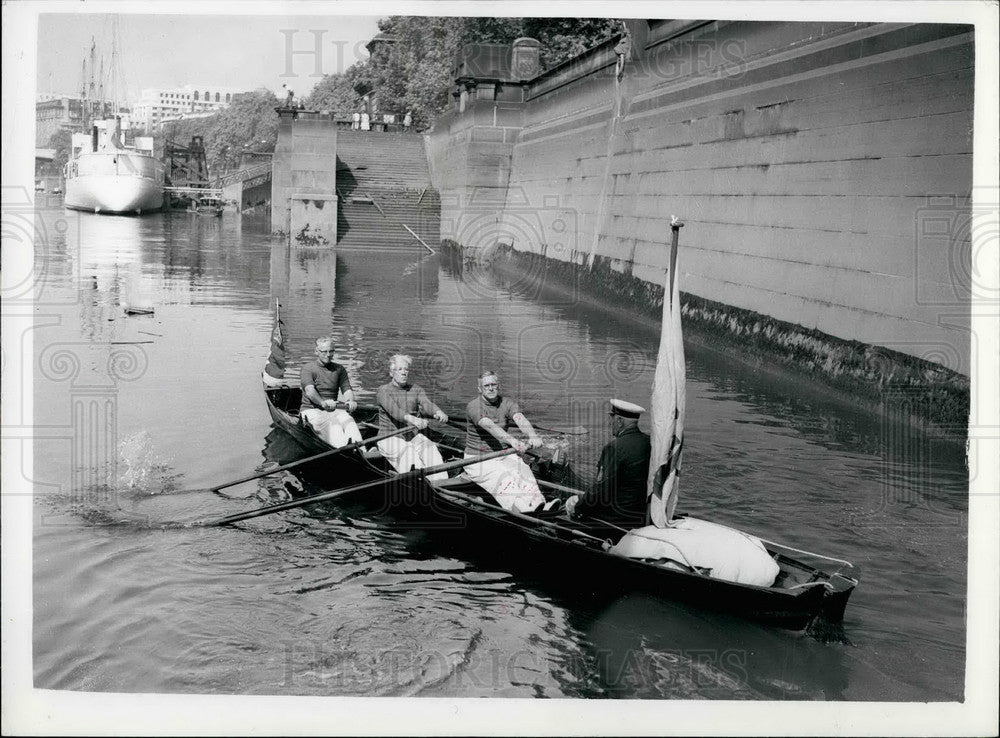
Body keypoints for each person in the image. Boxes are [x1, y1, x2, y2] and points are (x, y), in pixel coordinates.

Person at [463, 370, 545, 512]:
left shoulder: (507, 403)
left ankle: (541, 505)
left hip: (502, 454)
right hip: (478, 459)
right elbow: (490, 426)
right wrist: (513, 442)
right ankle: (522, 511)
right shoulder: (474, 406)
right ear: (479, 389)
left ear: (498, 386)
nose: (490, 388)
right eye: (486, 386)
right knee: (506, 481)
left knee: (524, 471)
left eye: (493, 384)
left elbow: (520, 419)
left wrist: (532, 435)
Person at [566, 399, 651, 528]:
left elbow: (602, 491)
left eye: (611, 419)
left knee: (568, 506)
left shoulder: (614, 447)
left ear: (620, 421)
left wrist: (577, 504)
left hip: (616, 518)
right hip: (640, 513)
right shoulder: (649, 442)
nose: (609, 423)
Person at [376, 354, 449, 481]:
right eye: (400, 369)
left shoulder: (416, 389)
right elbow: (396, 412)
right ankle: (421, 484)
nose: (404, 373)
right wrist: (414, 419)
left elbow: (427, 404)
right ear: (391, 373)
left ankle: (441, 484)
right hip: (388, 438)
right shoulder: (383, 391)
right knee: (409, 453)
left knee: (431, 449)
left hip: (411, 437)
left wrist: (438, 412)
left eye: (406, 369)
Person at [299, 337, 364, 448]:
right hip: (312, 410)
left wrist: (350, 401)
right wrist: (322, 403)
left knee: (349, 420)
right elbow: (310, 391)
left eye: (331, 351)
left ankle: (362, 450)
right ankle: (348, 450)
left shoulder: (339, 369)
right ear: (316, 351)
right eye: (324, 351)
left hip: (333, 409)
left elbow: (347, 389)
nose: (328, 354)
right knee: (335, 426)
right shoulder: (308, 368)